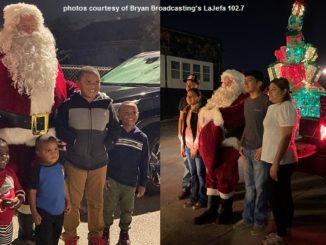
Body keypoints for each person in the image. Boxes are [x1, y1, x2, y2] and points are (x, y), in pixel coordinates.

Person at [0, 3, 78, 242]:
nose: (29, 31)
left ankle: (34, 233)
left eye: (34, 26)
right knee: (12, 187)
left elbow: (65, 88)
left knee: (40, 186)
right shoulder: (3, 59)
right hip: (10, 139)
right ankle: (19, 233)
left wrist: (85, 93)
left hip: (44, 139)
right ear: (10, 30)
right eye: (23, 26)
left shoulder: (49, 60)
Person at [56, 66, 121, 245]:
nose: (93, 86)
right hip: (75, 162)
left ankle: (96, 237)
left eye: (97, 82)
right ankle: (70, 236)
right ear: (78, 83)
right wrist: (74, 140)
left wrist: (106, 146)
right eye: (88, 82)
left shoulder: (107, 103)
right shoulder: (68, 105)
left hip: (99, 163)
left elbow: (115, 130)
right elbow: (60, 128)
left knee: (96, 202)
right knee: (72, 203)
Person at [194, 69, 248, 225]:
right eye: (223, 80)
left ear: (237, 82)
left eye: (228, 80)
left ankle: (226, 210)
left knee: (225, 172)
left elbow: (236, 115)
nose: (224, 83)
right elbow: (207, 113)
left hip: (231, 140)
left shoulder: (242, 98)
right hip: (213, 142)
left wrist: (215, 114)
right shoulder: (218, 97)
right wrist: (208, 112)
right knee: (210, 172)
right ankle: (212, 209)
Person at [102, 101, 149, 245]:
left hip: (130, 182)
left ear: (138, 115)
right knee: (108, 208)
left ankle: (124, 233)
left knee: (127, 210)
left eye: (133, 112)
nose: (130, 115)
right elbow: (105, 156)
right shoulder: (114, 134)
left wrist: (142, 183)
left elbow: (144, 162)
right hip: (112, 179)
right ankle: (105, 231)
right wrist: (104, 177)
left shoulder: (142, 138)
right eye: (126, 113)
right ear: (119, 115)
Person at [261, 78, 298, 245]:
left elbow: (285, 137)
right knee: (282, 194)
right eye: (269, 89)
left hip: (282, 161)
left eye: (274, 89)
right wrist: (262, 149)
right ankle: (286, 227)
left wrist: (276, 163)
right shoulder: (272, 107)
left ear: (284, 91)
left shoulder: (286, 107)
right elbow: (271, 133)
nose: (270, 92)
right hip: (272, 157)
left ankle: (281, 234)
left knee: (275, 197)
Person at [234, 71, 270, 235]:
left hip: (260, 151)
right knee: (249, 187)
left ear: (259, 83)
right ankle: (247, 218)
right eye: (245, 81)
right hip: (247, 149)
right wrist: (241, 142)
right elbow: (248, 125)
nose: (246, 84)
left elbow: (271, 128)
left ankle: (260, 220)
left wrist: (264, 147)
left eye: (249, 81)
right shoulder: (247, 102)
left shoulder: (266, 102)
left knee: (261, 187)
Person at [28, 135, 71, 245]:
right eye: (49, 150)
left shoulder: (60, 166)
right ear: (38, 153)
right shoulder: (37, 171)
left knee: (54, 239)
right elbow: (32, 193)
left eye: (56, 149)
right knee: (44, 240)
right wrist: (34, 212)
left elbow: (63, 184)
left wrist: (68, 200)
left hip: (59, 212)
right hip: (44, 213)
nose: (54, 153)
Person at [181, 88, 207, 209]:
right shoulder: (187, 110)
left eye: (192, 96)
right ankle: (193, 197)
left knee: (200, 174)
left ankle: (202, 199)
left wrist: (195, 148)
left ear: (198, 97)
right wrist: (183, 145)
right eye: (187, 96)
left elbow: (201, 131)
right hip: (188, 146)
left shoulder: (201, 111)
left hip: (198, 148)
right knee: (193, 174)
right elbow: (185, 129)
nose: (189, 98)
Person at [177, 74, 200, 200]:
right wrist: (180, 135)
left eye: (191, 84)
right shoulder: (183, 100)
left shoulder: (203, 100)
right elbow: (181, 119)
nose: (188, 86)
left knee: (200, 166)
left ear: (197, 85)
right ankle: (186, 187)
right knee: (187, 163)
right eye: (187, 84)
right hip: (187, 139)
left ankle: (202, 190)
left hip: (199, 140)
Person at [0, 138, 25, 244]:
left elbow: (20, 190)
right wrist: (2, 203)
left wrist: (19, 200)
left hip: (7, 224)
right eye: (0, 153)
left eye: (7, 153)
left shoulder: (10, 173)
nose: (4, 157)